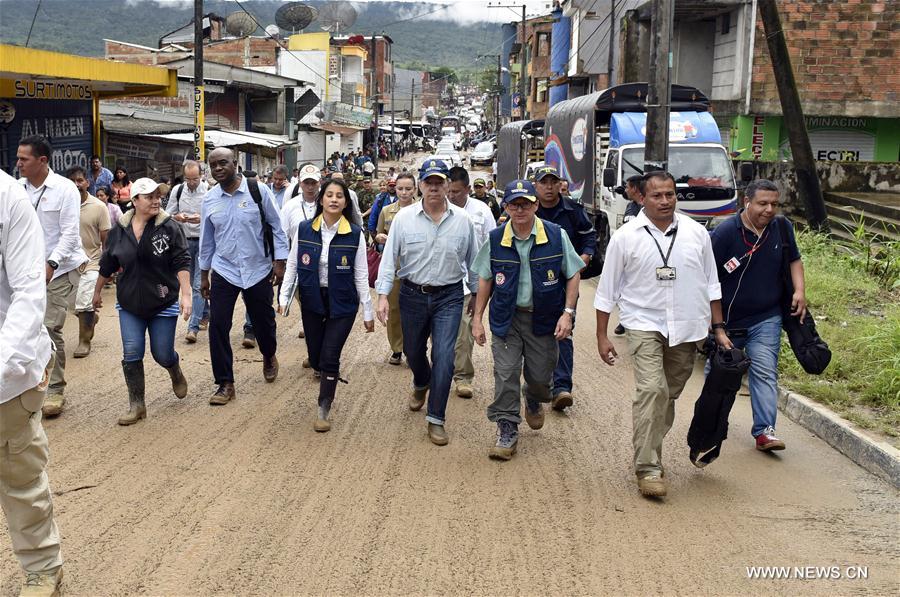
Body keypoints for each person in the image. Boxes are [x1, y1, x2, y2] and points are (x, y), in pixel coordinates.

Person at [594, 171, 731, 498]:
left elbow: (712, 284)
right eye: (657, 195)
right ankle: (648, 466)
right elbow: (606, 290)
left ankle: (648, 445)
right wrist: (602, 335)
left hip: (687, 328)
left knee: (666, 395)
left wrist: (719, 328)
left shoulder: (697, 234)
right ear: (642, 197)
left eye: (670, 194)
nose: (665, 201)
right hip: (643, 324)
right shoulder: (626, 237)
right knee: (652, 389)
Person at [471, 180, 584, 460]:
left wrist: (567, 314)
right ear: (506, 207)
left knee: (540, 378)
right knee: (506, 372)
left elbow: (572, 273)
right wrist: (477, 318)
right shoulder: (496, 239)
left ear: (535, 205)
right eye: (514, 204)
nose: (520, 209)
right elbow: (485, 278)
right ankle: (507, 427)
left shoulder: (556, 236)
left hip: (543, 319)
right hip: (507, 319)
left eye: (525, 203)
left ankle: (533, 396)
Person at [375, 159, 478, 446]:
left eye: (439, 182)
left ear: (447, 186)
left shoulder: (463, 221)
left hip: (450, 296)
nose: (434, 187)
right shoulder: (404, 219)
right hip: (411, 295)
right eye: (429, 182)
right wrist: (383, 295)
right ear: (421, 186)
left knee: (445, 357)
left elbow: (474, 262)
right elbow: (389, 259)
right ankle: (421, 382)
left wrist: (477, 300)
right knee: (412, 352)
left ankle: (436, 418)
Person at [0, 168, 65, 597]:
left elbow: (28, 293)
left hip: (8, 376)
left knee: (19, 477)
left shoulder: (9, 200)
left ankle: (44, 569)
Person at [708, 179, 806, 452]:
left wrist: (799, 290)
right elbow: (707, 280)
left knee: (764, 372)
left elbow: (794, 260)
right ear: (746, 202)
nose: (769, 209)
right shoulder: (725, 233)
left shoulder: (782, 228)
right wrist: (716, 325)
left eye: (774, 204)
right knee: (719, 377)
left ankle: (765, 432)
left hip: (766, 317)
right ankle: (710, 425)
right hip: (726, 323)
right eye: (763, 203)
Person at [93, 178, 192, 425]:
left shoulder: (169, 228)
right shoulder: (119, 231)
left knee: (161, 353)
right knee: (132, 352)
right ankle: (137, 405)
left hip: (162, 301)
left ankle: (173, 367)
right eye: (149, 196)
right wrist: (95, 293)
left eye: (158, 195)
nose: (156, 200)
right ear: (134, 201)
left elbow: (181, 261)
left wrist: (186, 294)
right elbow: (108, 264)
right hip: (130, 305)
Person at [279, 178, 375, 431]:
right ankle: (320, 367)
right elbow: (292, 263)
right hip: (312, 299)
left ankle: (324, 406)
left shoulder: (355, 234)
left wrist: (368, 310)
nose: (334, 199)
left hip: (342, 302)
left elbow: (361, 274)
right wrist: (284, 296)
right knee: (316, 356)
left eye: (339, 196)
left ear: (346, 202)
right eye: (329, 195)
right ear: (321, 199)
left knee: (330, 355)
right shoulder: (304, 228)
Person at [199, 148, 289, 404]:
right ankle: (225, 383)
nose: (218, 169)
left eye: (223, 163)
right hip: (224, 270)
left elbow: (277, 227)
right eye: (213, 165)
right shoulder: (210, 200)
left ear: (235, 164)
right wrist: (204, 275)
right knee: (218, 326)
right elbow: (207, 241)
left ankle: (269, 354)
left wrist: (279, 262)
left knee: (263, 321)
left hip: (257, 268)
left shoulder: (258, 191)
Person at [17, 135, 88, 418]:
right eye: (18, 158)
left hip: (60, 269)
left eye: (24, 159)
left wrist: (51, 264)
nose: (18, 163)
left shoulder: (65, 189)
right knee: (23, 327)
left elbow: (70, 234)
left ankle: (55, 390)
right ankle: (27, 384)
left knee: (48, 327)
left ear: (42, 161)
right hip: (24, 270)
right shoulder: (16, 190)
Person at [533, 165, 596, 411]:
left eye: (553, 182)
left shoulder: (573, 211)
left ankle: (561, 388)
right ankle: (538, 384)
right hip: (534, 285)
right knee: (535, 334)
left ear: (560, 184)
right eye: (544, 182)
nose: (549, 187)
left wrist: (585, 257)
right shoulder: (527, 209)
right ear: (536, 186)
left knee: (563, 332)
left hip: (565, 281)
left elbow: (589, 237)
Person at [447, 166, 496, 399]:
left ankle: (463, 377)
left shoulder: (482, 211)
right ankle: (439, 371)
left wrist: (484, 286)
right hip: (444, 282)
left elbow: (492, 245)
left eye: (456, 191)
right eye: (449, 190)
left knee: (465, 331)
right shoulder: (438, 209)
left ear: (468, 189)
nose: (451, 195)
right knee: (442, 333)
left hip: (471, 282)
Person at [65, 166, 111, 359]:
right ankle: (91, 318)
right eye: (73, 181)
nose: (77, 184)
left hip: (92, 261)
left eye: (80, 180)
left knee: (84, 302)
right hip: (68, 263)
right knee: (71, 304)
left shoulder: (98, 207)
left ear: (87, 183)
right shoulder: (63, 206)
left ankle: (84, 341)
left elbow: (105, 240)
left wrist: (107, 268)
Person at [374, 172, 418, 365]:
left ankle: (414, 349)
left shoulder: (422, 210)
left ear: (415, 190)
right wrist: (381, 238)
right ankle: (397, 349)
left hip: (416, 270)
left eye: (408, 189)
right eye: (400, 188)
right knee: (394, 311)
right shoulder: (387, 211)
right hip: (394, 269)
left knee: (416, 313)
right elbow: (377, 234)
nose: (404, 192)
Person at [167, 160, 210, 344]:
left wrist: (203, 218)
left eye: (195, 179)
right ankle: (205, 314)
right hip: (184, 243)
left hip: (204, 243)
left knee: (198, 285)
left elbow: (216, 215)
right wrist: (177, 218)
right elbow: (167, 214)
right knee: (193, 281)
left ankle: (192, 327)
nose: (191, 183)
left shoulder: (209, 191)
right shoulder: (177, 191)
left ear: (201, 175)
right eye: (188, 179)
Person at [614, 174, 645, 336]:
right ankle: (624, 320)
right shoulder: (632, 206)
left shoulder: (642, 207)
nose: (625, 190)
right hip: (632, 256)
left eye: (627, 187)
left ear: (634, 188)